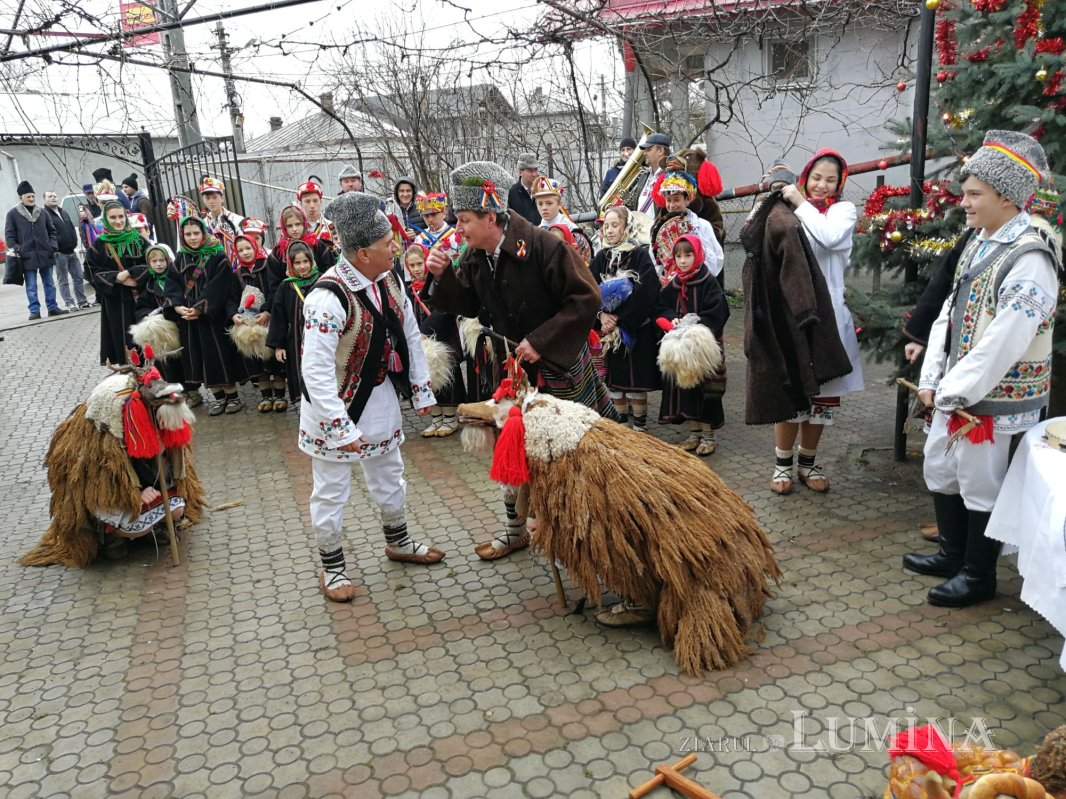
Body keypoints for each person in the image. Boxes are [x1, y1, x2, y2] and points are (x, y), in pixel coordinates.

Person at [426, 160, 614, 561]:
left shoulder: (545, 245)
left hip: (559, 367)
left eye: (463, 220)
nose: (457, 229)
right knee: (510, 447)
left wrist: (540, 341)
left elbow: (588, 299)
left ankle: (579, 532)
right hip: (513, 371)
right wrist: (442, 278)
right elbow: (470, 305)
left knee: (567, 454)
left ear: (491, 216)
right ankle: (516, 531)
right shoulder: (475, 256)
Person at [904, 130, 1060, 608]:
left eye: (974, 194)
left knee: (980, 481)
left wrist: (953, 390)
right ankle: (953, 554)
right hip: (956, 392)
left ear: (1007, 198)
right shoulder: (980, 240)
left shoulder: (1031, 255)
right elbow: (951, 312)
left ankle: (978, 576)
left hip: (994, 399)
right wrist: (933, 377)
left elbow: (1005, 340)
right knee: (940, 465)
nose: (964, 203)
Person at [298, 191, 442, 602]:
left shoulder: (390, 280)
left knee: (389, 473)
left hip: (377, 396)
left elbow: (411, 335)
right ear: (362, 253)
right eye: (386, 244)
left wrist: (421, 387)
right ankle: (333, 568)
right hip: (332, 406)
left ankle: (398, 541)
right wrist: (339, 426)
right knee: (330, 489)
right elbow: (316, 370)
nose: (395, 246)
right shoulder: (327, 298)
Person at [773, 149, 864, 494]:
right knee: (792, 393)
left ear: (839, 183)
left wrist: (798, 200)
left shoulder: (843, 211)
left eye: (830, 179)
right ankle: (782, 465)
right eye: (816, 178)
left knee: (822, 399)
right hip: (792, 314)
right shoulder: (788, 210)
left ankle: (808, 463)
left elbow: (827, 236)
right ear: (806, 176)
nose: (822, 185)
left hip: (829, 318)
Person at [657, 234, 730, 455]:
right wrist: (673, 319)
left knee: (706, 391)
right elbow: (662, 307)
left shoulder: (708, 281)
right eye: (678, 256)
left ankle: (708, 436)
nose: (682, 260)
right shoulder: (674, 283)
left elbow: (719, 312)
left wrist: (696, 326)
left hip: (702, 349)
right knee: (685, 390)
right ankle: (693, 433)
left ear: (697, 255)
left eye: (688, 255)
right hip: (682, 350)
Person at [590, 205, 661, 431]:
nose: (609, 231)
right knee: (616, 383)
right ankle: (621, 429)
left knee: (635, 384)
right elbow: (588, 291)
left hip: (635, 330)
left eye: (615, 225)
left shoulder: (639, 255)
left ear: (626, 227)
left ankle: (640, 430)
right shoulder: (601, 257)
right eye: (606, 226)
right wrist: (601, 316)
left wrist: (619, 319)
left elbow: (647, 290)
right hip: (609, 334)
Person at [174, 216, 247, 415]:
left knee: (219, 357)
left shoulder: (217, 256)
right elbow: (173, 285)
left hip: (211, 318)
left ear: (204, 233)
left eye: (196, 233)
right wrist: (178, 307)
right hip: (189, 319)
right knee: (200, 359)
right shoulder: (180, 258)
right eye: (188, 234)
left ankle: (233, 397)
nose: (192, 237)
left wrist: (200, 308)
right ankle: (218, 398)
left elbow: (220, 287)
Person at [84, 200, 147, 363]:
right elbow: (91, 271)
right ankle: (130, 374)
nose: (118, 221)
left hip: (140, 299)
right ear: (105, 220)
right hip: (116, 302)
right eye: (113, 218)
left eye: (121, 217)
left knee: (145, 337)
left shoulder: (139, 241)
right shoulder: (99, 244)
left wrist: (131, 273)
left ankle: (149, 374)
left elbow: (156, 262)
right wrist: (116, 279)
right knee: (122, 338)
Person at [233, 233, 287, 412]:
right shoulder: (238, 273)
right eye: (240, 250)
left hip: (270, 318)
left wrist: (267, 311)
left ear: (255, 247)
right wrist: (235, 315)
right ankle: (266, 397)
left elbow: (275, 289)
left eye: (248, 248)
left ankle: (279, 396)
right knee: (257, 360)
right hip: (249, 323)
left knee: (273, 358)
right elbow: (232, 297)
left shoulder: (267, 265)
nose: (245, 252)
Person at [267, 241, 320, 409]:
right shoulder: (286, 286)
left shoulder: (322, 280)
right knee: (300, 372)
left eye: (306, 261)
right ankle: (306, 409)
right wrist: (278, 346)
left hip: (320, 338)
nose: (303, 266)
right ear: (290, 264)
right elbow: (279, 318)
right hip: (296, 341)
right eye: (297, 262)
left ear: (312, 261)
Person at [5, 180, 67, 321]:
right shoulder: (12, 214)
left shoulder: (42, 212)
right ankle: (34, 311)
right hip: (27, 256)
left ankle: (52, 308)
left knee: (49, 283)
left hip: (46, 254)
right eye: (28, 197)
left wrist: (52, 246)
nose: (32, 199)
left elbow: (52, 232)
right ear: (21, 198)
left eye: (33, 196)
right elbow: (9, 236)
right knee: (31, 286)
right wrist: (18, 249)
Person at [653, 170, 724, 281]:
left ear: (687, 199)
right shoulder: (659, 227)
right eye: (668, 200)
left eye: (676, 200)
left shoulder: (701, 225)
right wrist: (658, 276)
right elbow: (655, 257)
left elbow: (716, 259)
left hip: (698, 283)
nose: (672, 205)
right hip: (670, 284)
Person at [133, 243, 186, 385]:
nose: (158, 264)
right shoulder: (148, 285)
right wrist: (151, 314)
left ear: (168, 260)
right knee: (167, 361)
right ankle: (175, 389)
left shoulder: (177, 278)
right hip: (162, 333)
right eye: (154, 261)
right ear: (148, 263)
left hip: (180, 325)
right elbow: (141, 307)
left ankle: (191, 390)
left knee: (185, 359)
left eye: (162, 260)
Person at [266, 205, 335, 300]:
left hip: (320, 299)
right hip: (290, 304)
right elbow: (274, 287)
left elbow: (331, 274)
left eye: (298, 224)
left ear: (304, 223)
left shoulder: (318, 246)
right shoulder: (277, 254)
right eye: (289, 226)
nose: (294, 229)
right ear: (284, 227)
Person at [42, 190, 90, 311]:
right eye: (50, 196)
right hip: (59, 253)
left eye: (55, 195)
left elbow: (71, 228)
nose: (53, 198)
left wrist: (74, 241)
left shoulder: (63, 212)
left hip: (71, 251)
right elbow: (46, 233)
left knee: (78, 276)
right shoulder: (44, 215)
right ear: (44, 200)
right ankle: (70, 303)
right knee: (63, 280)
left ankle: (82, 301)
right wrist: (55, 246)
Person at [199, 176, 244, 259]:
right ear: (203, 199)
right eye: (207, 198)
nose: (211, 201)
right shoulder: (202, 224)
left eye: (215, 197)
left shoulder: (236, 220)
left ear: (222, 198)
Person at [635, 132, 670, 215]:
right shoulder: (644, 175)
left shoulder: (671, 175)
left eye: (648, 149)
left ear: (660, 151)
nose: (644, 153)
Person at [507, 153, 541, 225]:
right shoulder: (512, 193)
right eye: (530, 171)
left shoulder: (543, 190)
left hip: (542, 235)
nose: (534, 174)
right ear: (520, 172)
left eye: (535, 170)